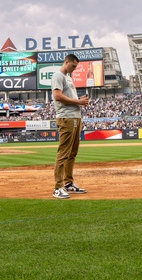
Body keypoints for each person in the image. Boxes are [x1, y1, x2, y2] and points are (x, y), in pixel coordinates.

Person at [52, 54, 90, 199]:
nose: (74, 69)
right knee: (63, 153)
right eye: (73, 66)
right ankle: (57, 187)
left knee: (72, 153)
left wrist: (79, 101)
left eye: (76, 67)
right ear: (66, 62)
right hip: (66, 118)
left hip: (75, 117)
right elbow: (57, 96)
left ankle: (68, 183)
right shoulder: (58, 76)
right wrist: (78, 102)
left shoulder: (68, 77)